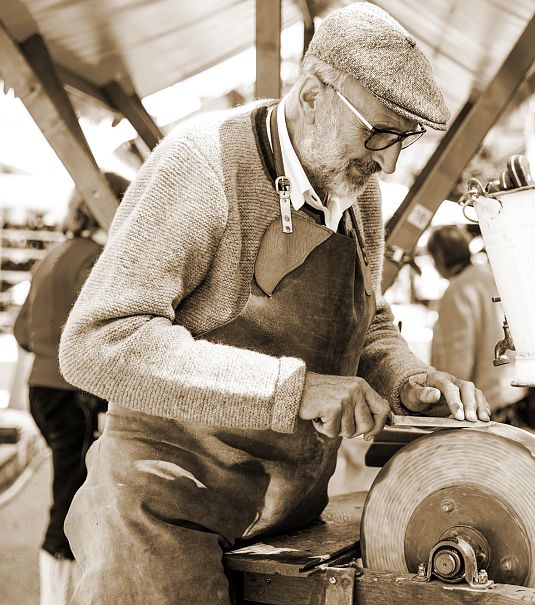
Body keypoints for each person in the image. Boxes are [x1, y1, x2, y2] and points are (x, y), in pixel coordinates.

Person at [57, 5, 489, 603]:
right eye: (380, 133)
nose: (389, 162)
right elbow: (99, 344)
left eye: (405, 138)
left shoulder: (357, 192)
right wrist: (297, 389)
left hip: (287, 517)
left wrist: (406, 377)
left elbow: (368, 322)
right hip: (162, 511)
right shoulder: (201, 166)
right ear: (313, 94)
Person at [13, 173, 129, 605]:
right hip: (73, 392)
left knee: (69, 492)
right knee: (71, 501)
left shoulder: (54, 254)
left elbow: (23, 331)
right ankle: (58, 598)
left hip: (41, 390)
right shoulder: (97, 258)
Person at [427, 226, 535, 429]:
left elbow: (458, 358)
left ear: (439, 257)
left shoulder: (458, 290)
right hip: (513, 392)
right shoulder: (488, 276)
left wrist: (445, 405)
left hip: (486, 403)